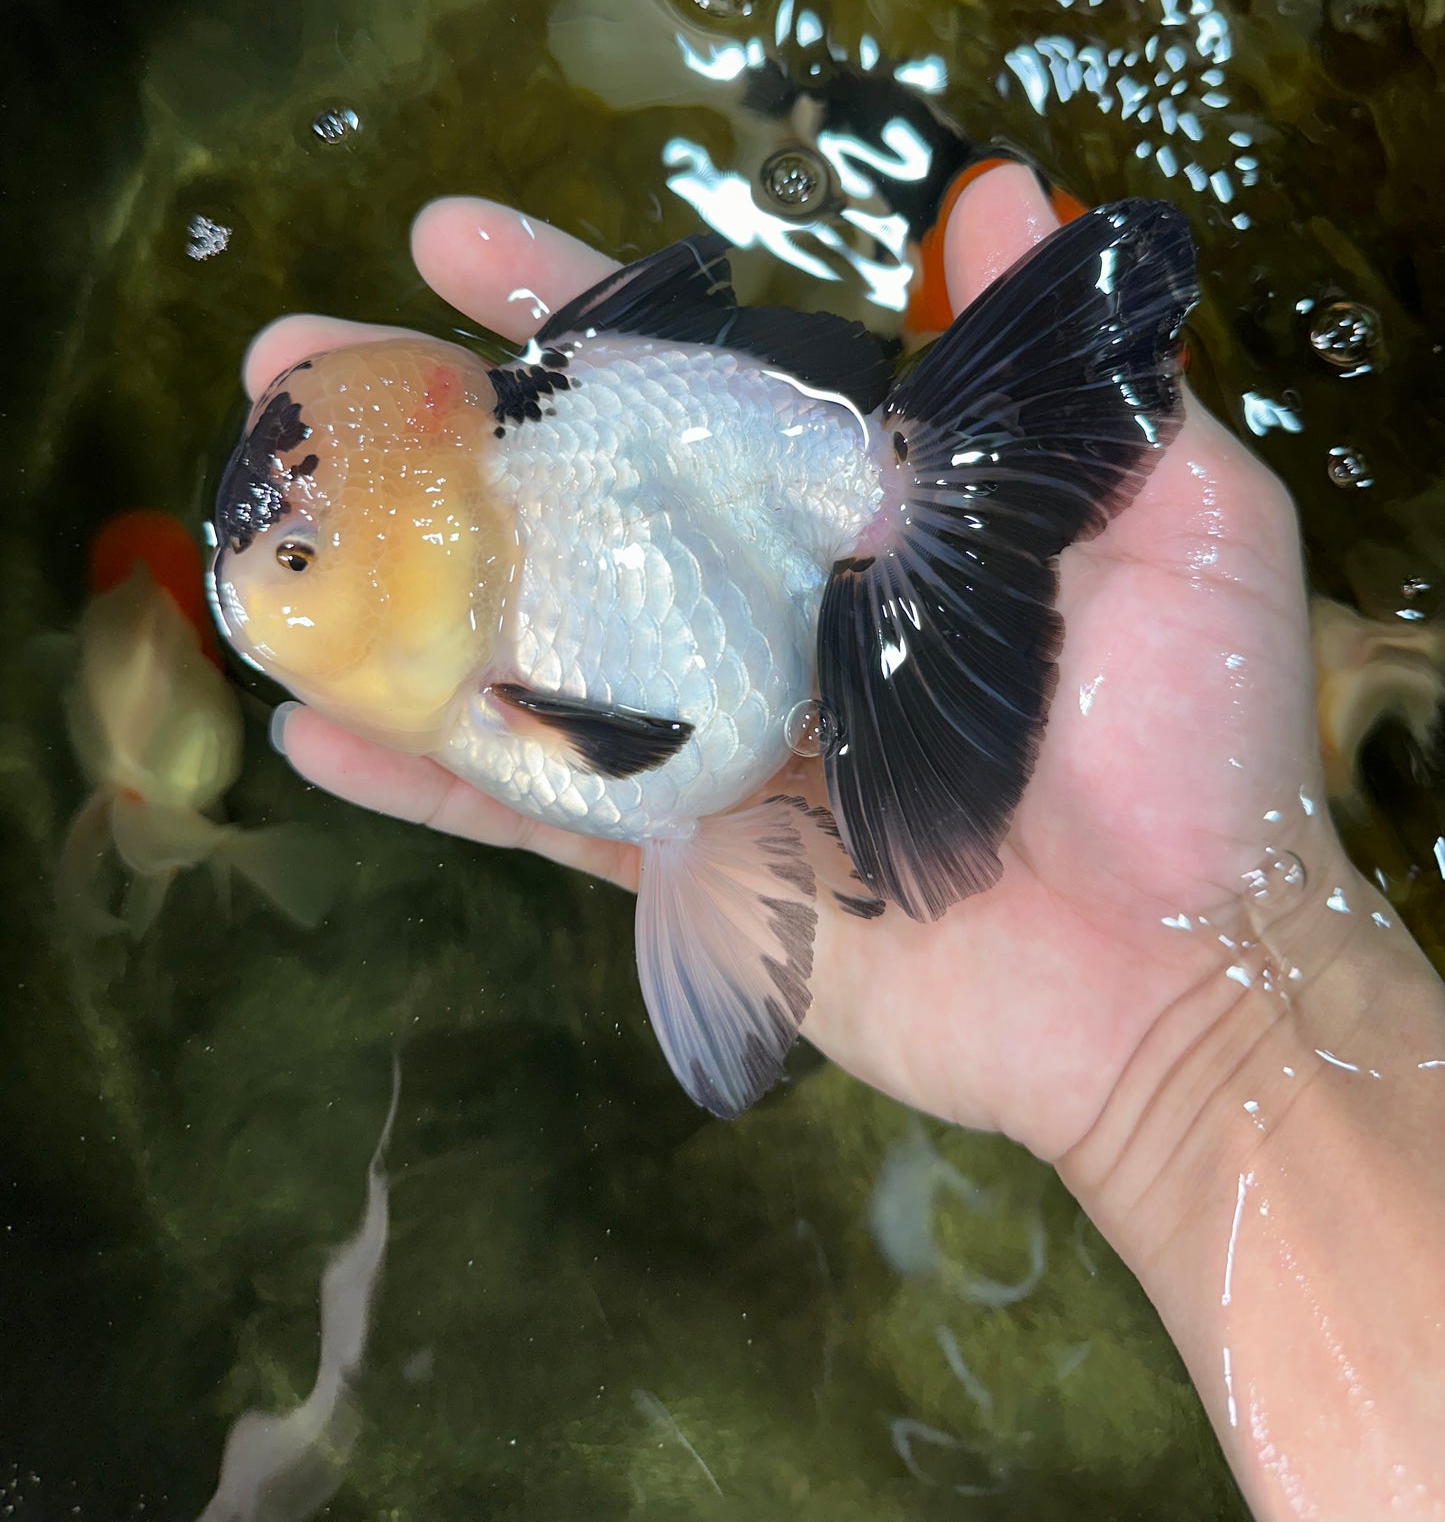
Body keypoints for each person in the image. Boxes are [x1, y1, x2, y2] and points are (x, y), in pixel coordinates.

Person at [248, 163, 1445, 1519]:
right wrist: (1227, 1011)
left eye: (294, 559)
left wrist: (1212, 1002)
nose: (278, 586)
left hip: (784, 529)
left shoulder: (509, 642)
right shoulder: (484, 639)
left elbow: (633, 754)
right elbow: (651, 770)